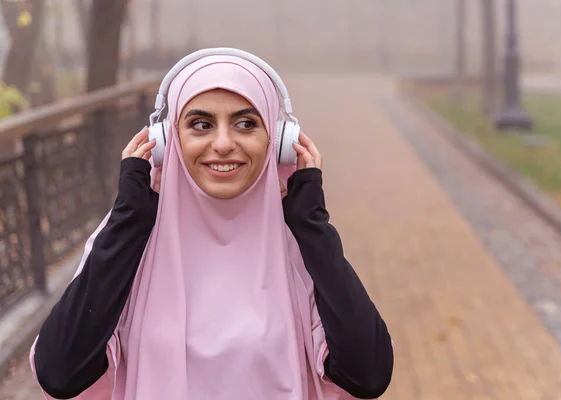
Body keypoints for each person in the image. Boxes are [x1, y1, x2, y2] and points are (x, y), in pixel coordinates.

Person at [29, 48, 394, 399]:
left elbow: (368, 374)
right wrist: (128, 221)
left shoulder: (303, 250)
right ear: (167, 140)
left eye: (246, 123)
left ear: (277, 142)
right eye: (201, 124)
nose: (223, 143)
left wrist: (312, 225)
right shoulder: (128, 245)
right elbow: (61, 372)